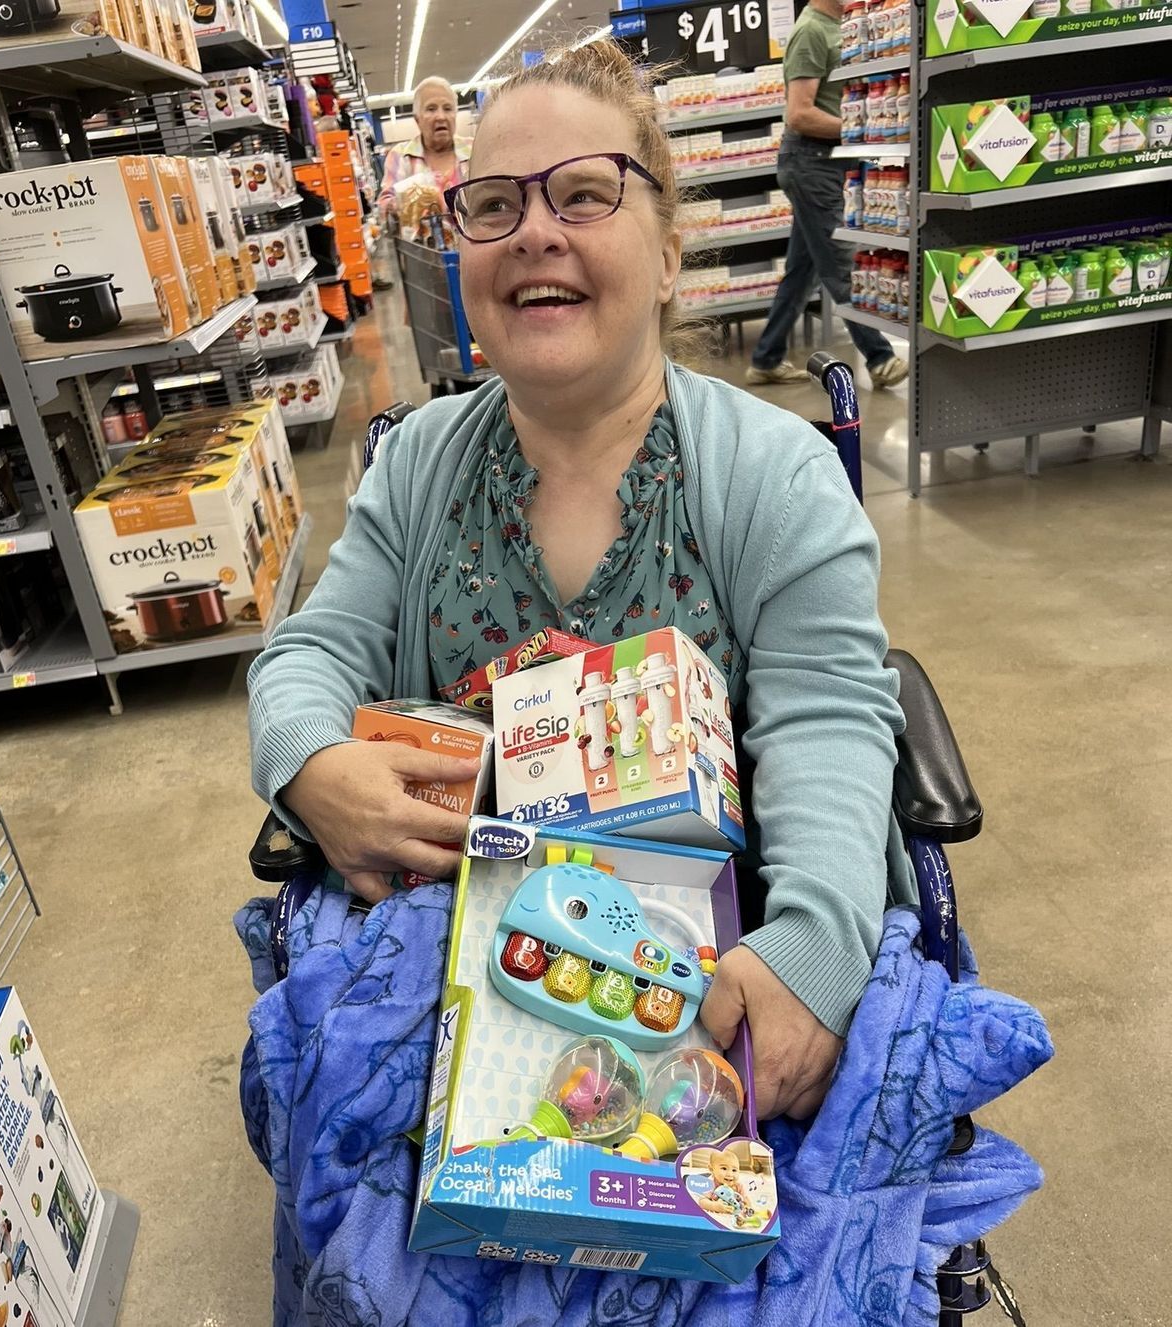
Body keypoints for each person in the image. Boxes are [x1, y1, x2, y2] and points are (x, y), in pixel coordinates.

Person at [248, 40, 914, 1123]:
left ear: (665, 255)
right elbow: (314, 650)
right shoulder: (417, 464)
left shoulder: (771, 474)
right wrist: (309, 762)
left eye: (587, 195)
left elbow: (828, 718)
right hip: (467, 963)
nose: (536, 232)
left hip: (708, 979)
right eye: (497, 203)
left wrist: (812, 947)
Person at [744, 0, 908, 389]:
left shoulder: (843, 25)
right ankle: (881, 358)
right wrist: (861, 129)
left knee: (803, 270)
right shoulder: (811, 31)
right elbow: (799, 114)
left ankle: (766, 359)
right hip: (810, 162)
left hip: (832, 164)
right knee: (841, 262)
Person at [376, 75, 473, 215]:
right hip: (421, 237)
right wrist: (412, 199)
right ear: (417, 119)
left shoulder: (474, 149)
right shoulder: (400, 156)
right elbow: (384, 207)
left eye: (447, 108)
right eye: (431, 109)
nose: (441, 116)